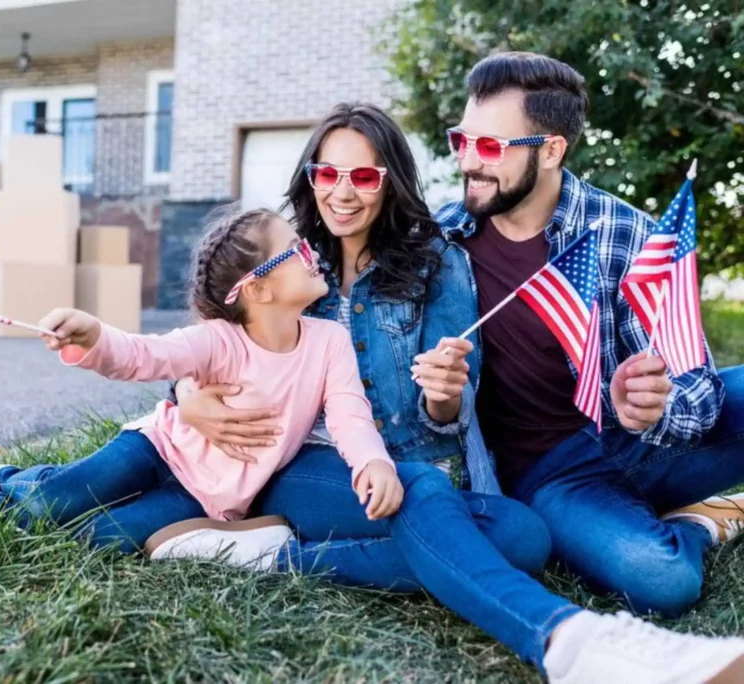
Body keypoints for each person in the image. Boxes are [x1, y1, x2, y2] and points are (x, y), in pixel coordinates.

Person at [155, 101, 744, 682]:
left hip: (430, 466)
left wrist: (443, 393)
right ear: (309, 178)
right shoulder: (291, 264)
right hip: (312, 464)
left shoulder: (436, 259)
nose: (342, 192)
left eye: (363, 176)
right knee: (435, 497)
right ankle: (573, 640)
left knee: (519, 535)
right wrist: (187, 395)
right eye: (326, 174)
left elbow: (450, 414)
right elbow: (209, 336)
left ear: (389, 184)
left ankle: (274, 556)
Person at [433, 51, 744, 621]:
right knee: (664, 578)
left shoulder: (625, 232)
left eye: (491, 147)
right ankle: (704, 517)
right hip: (551, 474)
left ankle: (655, 495)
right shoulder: (442, 240)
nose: (468, 162)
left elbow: (696, 379)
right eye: (462, 140)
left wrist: (657, 408)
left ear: (551, 149)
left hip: (639, 441)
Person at [0, 205, 408, 565]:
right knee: (53, 504)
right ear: (258, 290)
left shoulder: (330, 341)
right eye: (296, 250)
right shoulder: (217, 339)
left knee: (105, 538)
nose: (311, 253)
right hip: (154, 450)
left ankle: (28, 485)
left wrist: (373, 462)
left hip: (207, 500)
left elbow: (351, 416)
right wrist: (96, 337)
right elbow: (145, 355)